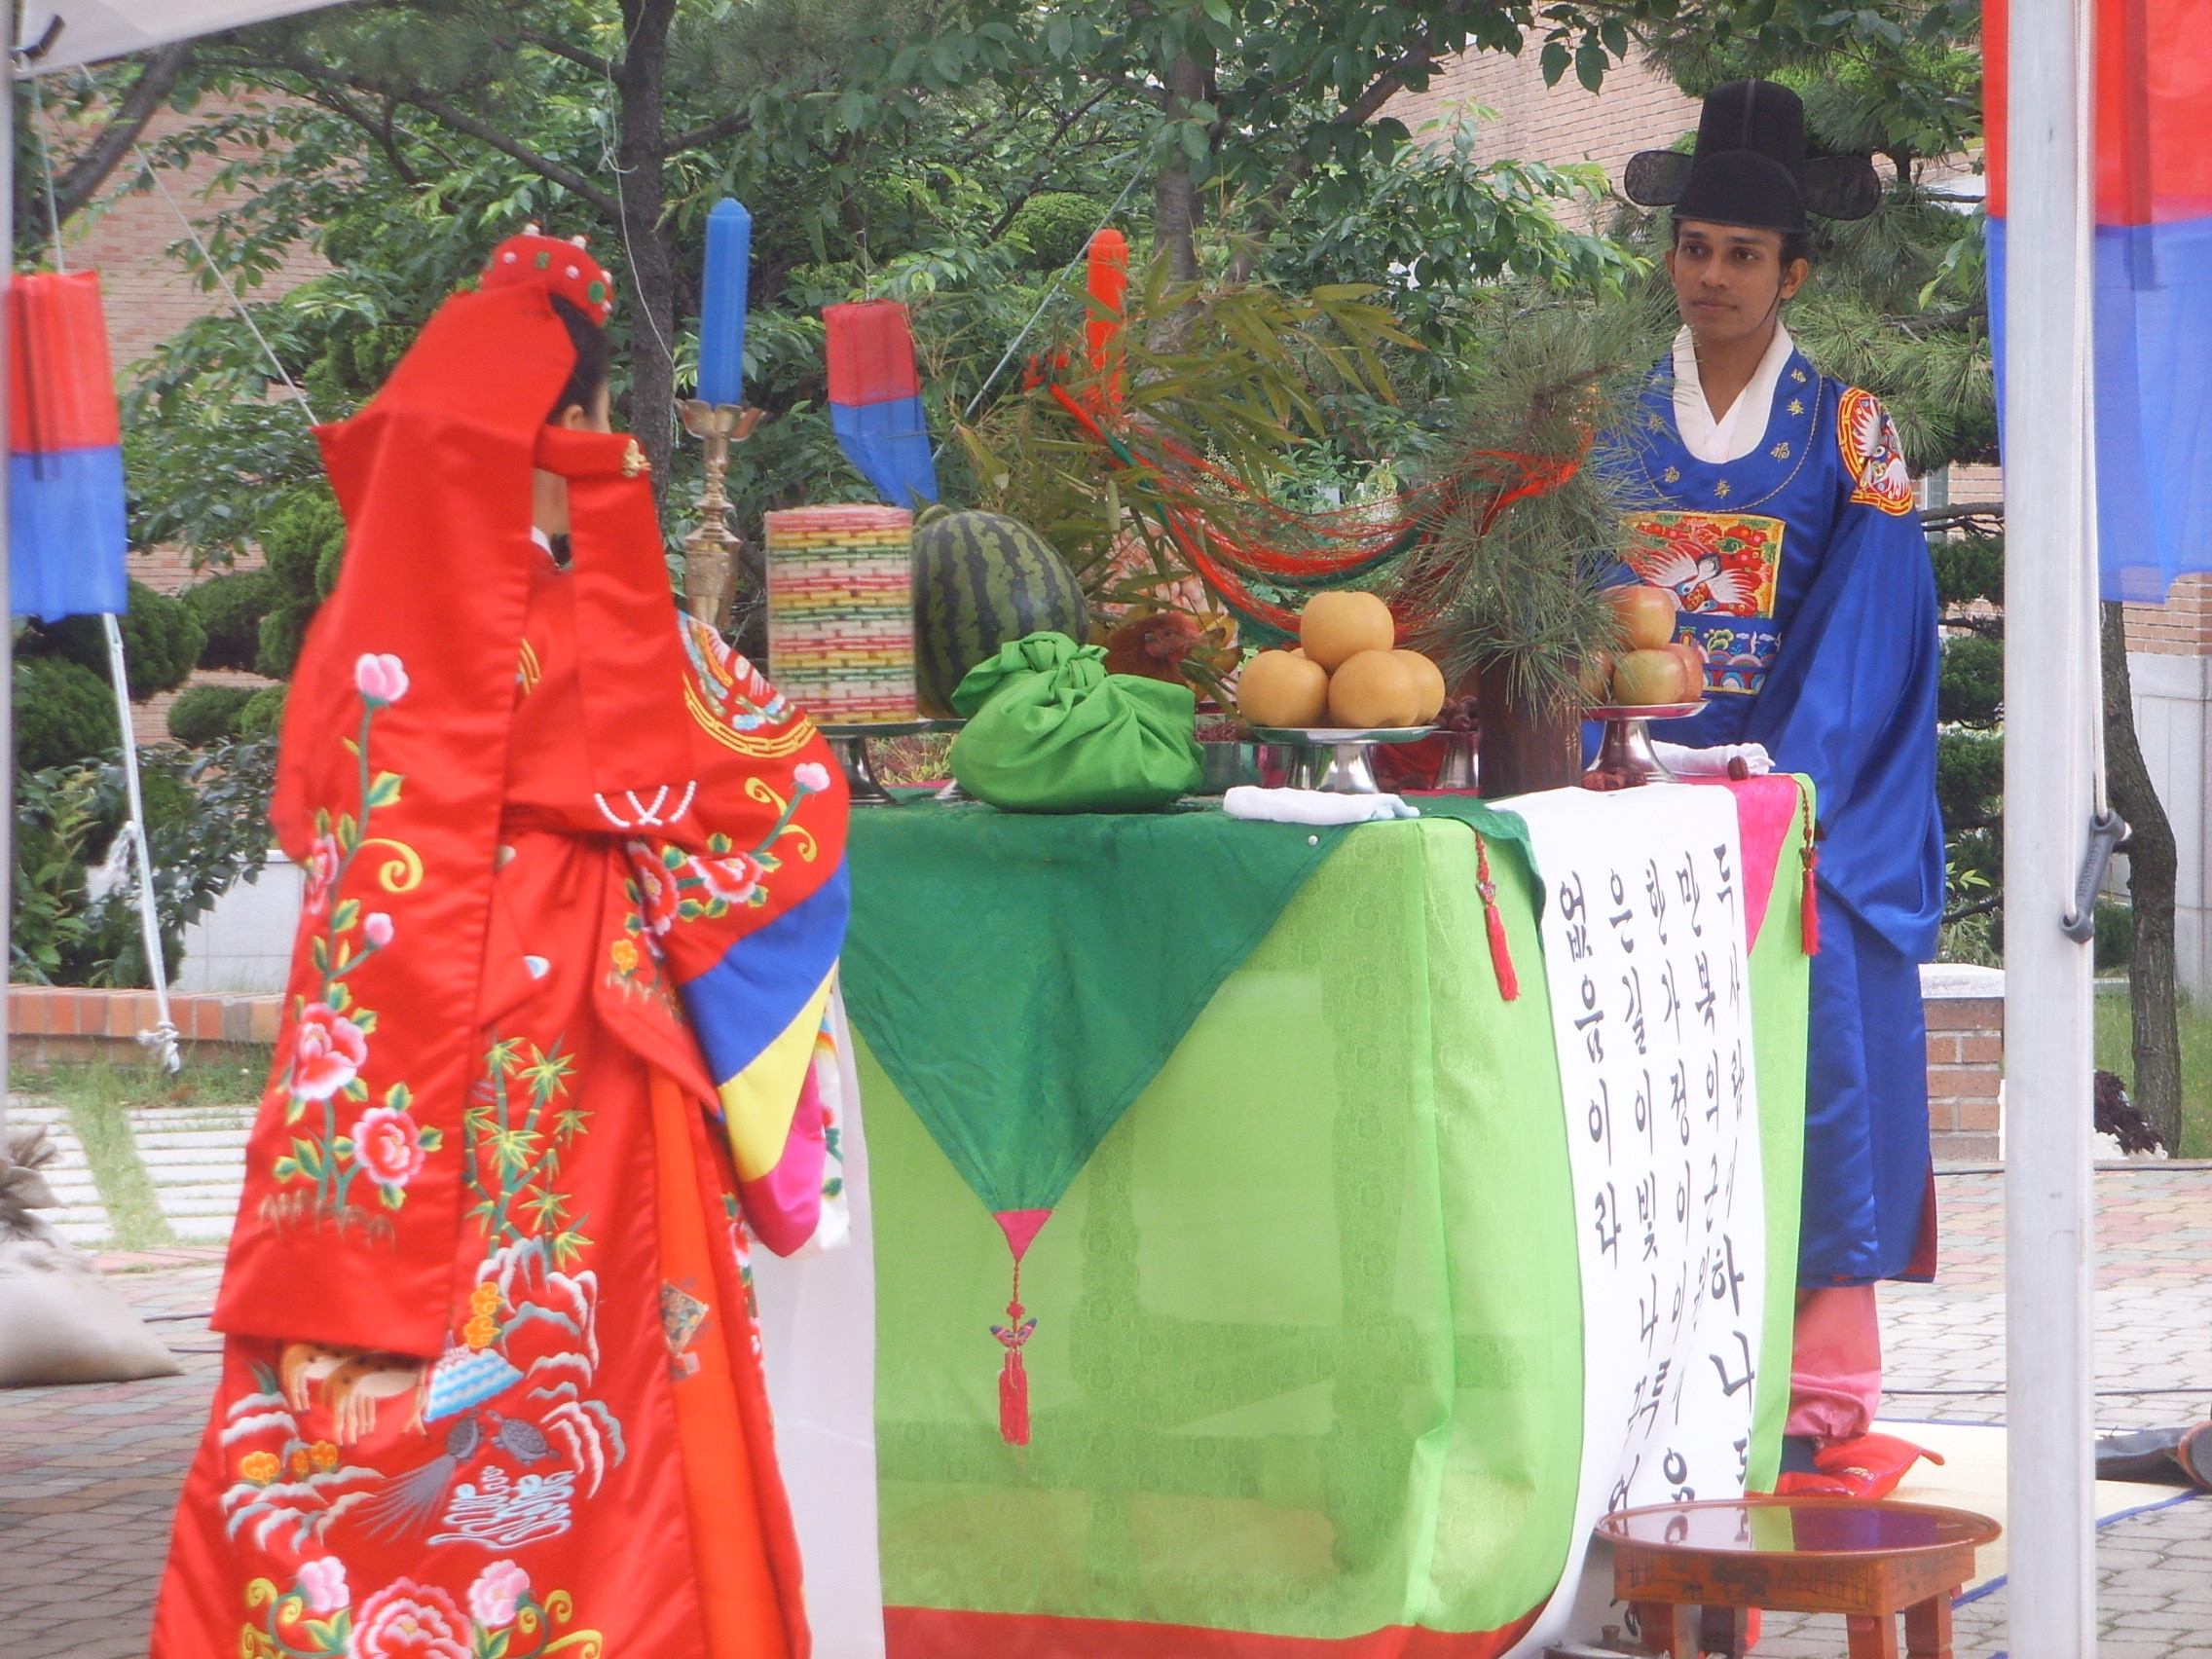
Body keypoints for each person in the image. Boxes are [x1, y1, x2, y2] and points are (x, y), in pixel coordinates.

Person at [151, 231, 851, 1659]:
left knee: (345, 1394)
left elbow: (317, 827)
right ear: (574, 427)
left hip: (371, 1073)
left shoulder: (351, 648)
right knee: (596, 1357)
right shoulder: (621, 638)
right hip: (570, 1032)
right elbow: (789, 798)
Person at [1613, 81, 1945, 1478]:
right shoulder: (1602, 418)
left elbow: (1875, 635)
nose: (1714, 276)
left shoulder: (1854, 431)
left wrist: (1775, 780)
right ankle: (1639, 1380)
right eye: (1695, 249)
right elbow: (1552, 602)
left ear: (1792, 273)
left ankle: (1813, 1400)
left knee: (1818, 1069)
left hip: (1792, 802)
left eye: (1744, 255)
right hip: (1625, 798)